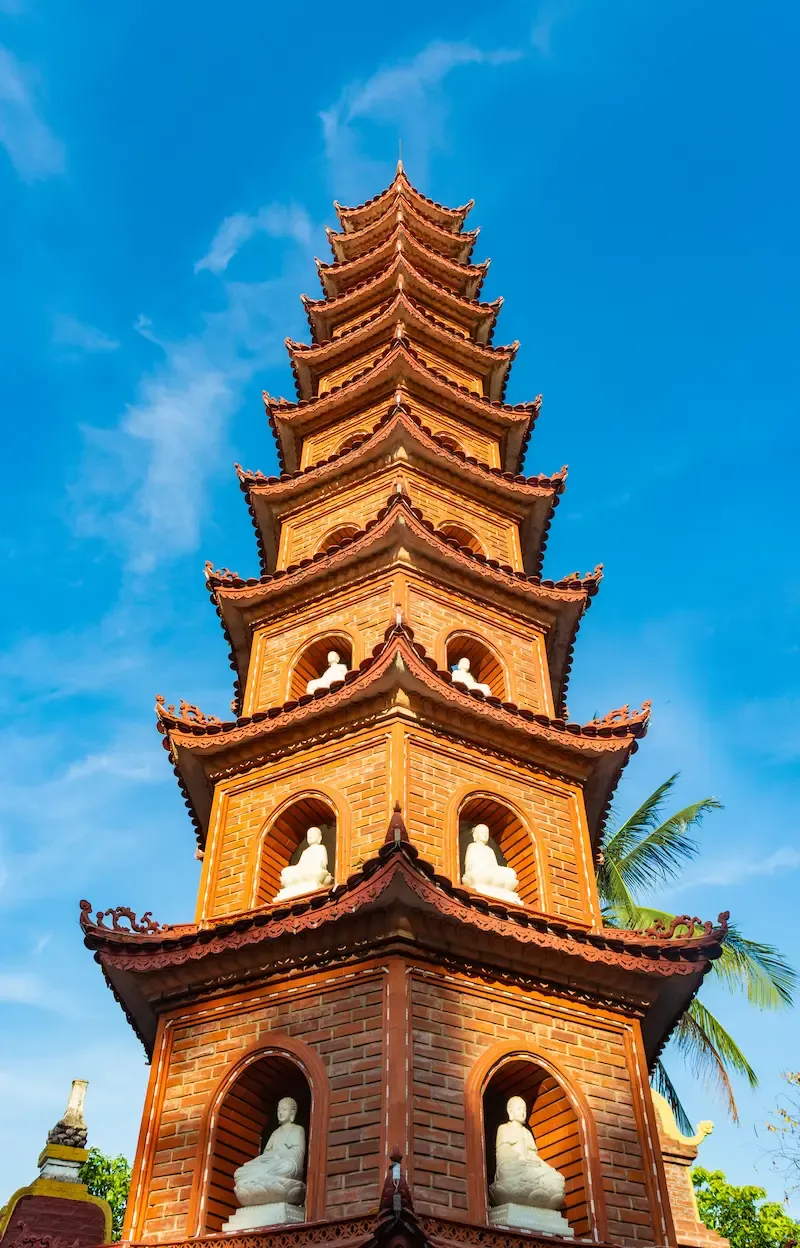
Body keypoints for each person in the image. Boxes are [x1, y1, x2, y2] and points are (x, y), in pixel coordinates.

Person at [490, 1096, 565, 1211]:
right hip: (514, 1168)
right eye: (519, 1109)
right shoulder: (504, 1128)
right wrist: (520, 1159)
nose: (523, 1112)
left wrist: (536, 1163)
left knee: (557, 1178)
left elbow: (533, 1156)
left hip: (529, 1169)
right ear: (510, 1111)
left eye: (524, 1109)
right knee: (506, 1172)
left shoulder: (527, 1133)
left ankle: (531, 1184)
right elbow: (502, 1152)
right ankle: (528, 1183)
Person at [233, 1096, 306, 1209]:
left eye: (284, 1109)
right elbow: (266, 1155)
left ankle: (264, 1177)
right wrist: (269, 1158)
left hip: (285, 1165)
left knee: (287, 1167)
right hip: (271, 1165)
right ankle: (262, 1177)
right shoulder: (276, 1133)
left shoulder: (298, 1129)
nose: (280, 1112)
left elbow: (298, 1155)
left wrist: (280, 1157)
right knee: (239, 1173)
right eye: (279, 1110)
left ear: (292, 1112)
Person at [462, 825, 521, 904]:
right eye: (482, 832)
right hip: (480, 873)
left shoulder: (490, 850)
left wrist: (495, 870)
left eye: (486, 833)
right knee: (481, 875)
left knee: (511, 873)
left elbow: (495, 866)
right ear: (475, 835)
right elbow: (470, 865)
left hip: (490, 873)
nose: (485, 835)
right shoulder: (472, 846)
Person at [274, 828, 333, 902]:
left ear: (319, 838)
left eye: (313, 835)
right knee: (285, 871)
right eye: (309, 835)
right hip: (304, 872)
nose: (310, 836)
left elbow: (323, 864)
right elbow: (299, 866)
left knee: (317, 873)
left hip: (314, 871)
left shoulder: (320, 848)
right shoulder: (305, 851)